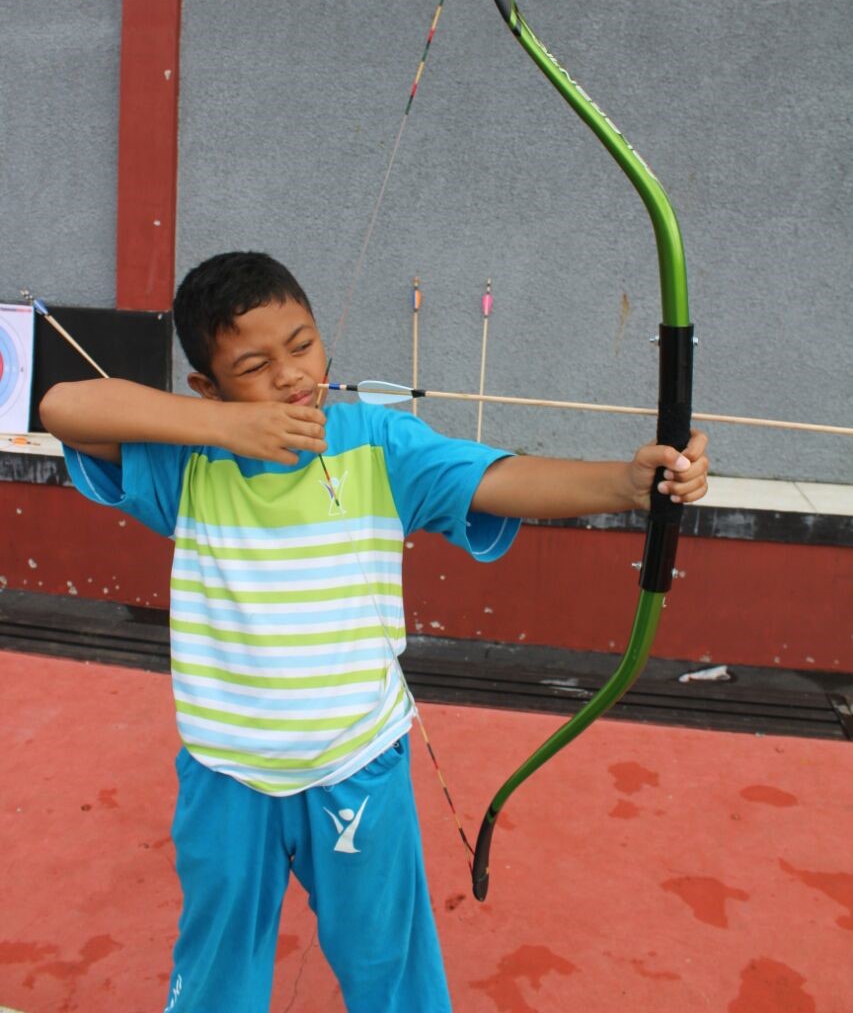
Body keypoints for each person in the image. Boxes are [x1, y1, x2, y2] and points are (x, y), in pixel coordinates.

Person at [41, 250, 709, 1013]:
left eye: (302, 344)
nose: (291, 375)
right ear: (208, 386)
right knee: (216, 970)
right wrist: (226, 427)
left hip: (357, 763)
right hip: (225, 773)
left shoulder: (376, 443)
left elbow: (497, 479)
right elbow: (63, 406)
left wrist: (626, 485)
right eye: (253, 366)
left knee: (387, 964)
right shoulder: (187, 463)